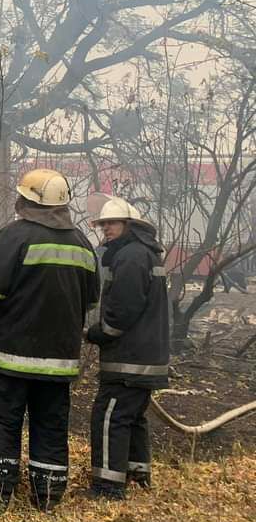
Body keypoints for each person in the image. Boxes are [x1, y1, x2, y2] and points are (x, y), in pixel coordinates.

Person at [0, 168, 100, 511]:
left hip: (12, 355)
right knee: (51, 424)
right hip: (59, 362)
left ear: (26, 200)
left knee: (2, 419)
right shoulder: (83, 244)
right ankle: (48, 496)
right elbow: (91, 300)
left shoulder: (15, 236)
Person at [85, 197, 169, 500]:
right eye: (103, 223)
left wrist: (99, 332)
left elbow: (123, 309)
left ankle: (108, 486)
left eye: (112, 222)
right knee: (133, 417)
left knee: (109, 416)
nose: (105, 228)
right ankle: (137, 474)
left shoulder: (131, 256)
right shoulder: (144, 253)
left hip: (129, 360)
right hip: (145, 357)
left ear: (129, 225)